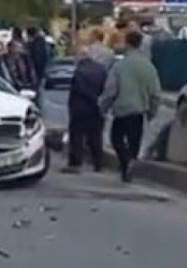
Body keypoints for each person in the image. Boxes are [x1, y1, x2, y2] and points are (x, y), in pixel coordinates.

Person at [100, 30, 162, 182]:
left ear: (127, 44)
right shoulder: (149, 67)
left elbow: (111, 90)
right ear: (140, 44)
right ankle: (130, 164)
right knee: (134, 142)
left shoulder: (120, 66)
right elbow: (155, 93)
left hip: (121, 110)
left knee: (116, 140)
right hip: (139, 112)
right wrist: (152, 112)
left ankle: (125, 162)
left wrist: (104, 107)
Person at [63, 48, 108, 173]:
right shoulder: (101, 69)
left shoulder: (79, 71)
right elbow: (106, 87)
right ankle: (98, 162)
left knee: (77, 136)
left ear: (81, 56)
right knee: (95, 136)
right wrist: (98, 100)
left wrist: (91, 98)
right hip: (96, 108)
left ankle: (76, 161)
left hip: (80, 108)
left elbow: (79, 88)